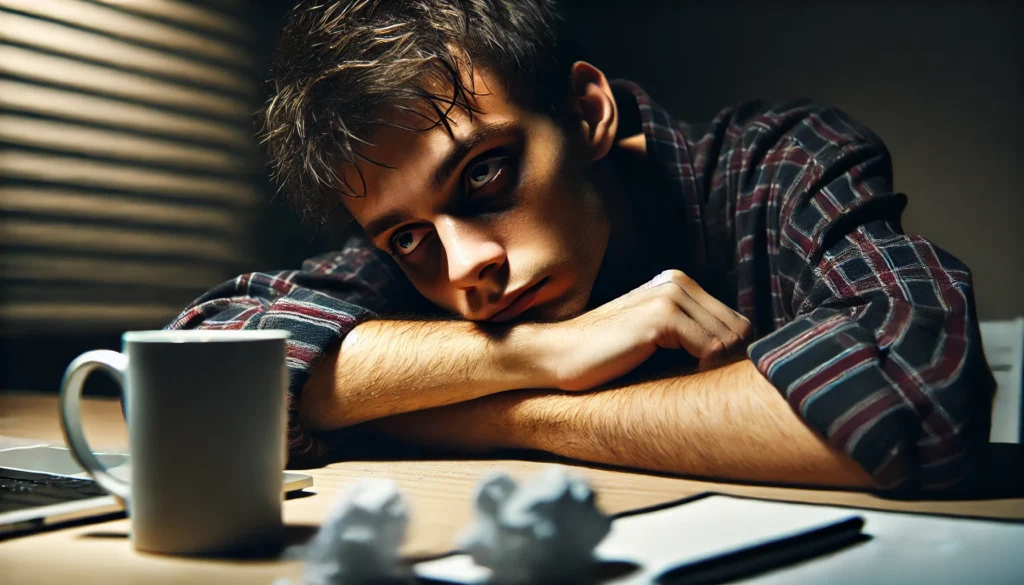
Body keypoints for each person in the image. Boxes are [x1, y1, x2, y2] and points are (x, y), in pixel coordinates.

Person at [169, 0, 994, 494]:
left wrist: (510, 413)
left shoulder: (775, 166)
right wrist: (548, 351)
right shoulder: (415, 254)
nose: (463, 269)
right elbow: (190, 382)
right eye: (409, 234)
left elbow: (915, 398)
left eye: (485, 174)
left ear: (588, 112)